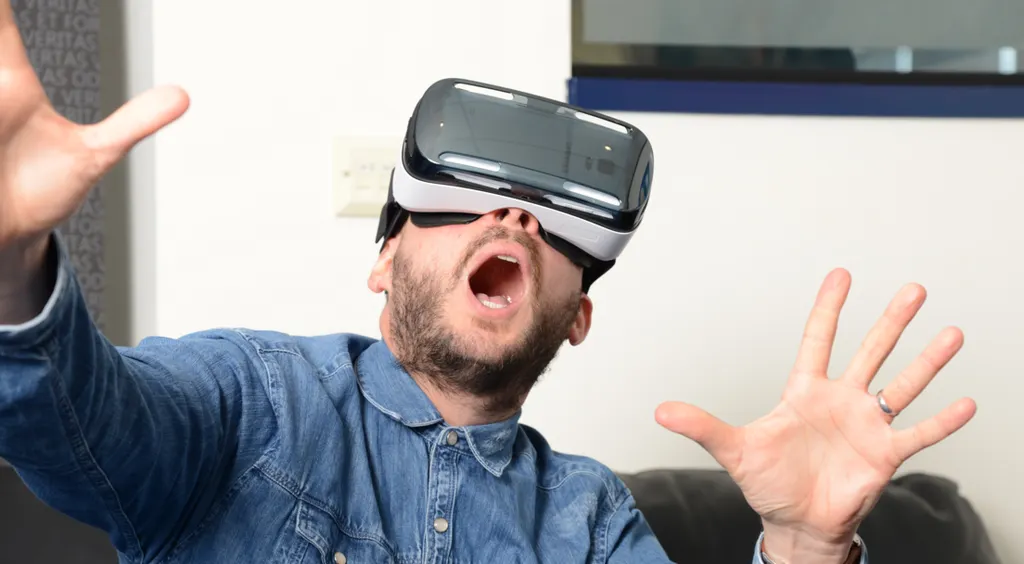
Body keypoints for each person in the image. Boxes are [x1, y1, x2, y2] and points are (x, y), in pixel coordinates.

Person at [0, 3, 976, 562]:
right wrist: (11, 259)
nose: (512, 219)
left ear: (577, 316)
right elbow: (81, 425)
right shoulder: (252, 399)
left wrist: (805, 546)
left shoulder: (590, 521)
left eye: (548, 222)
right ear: (385, 260)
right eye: (464, 204)